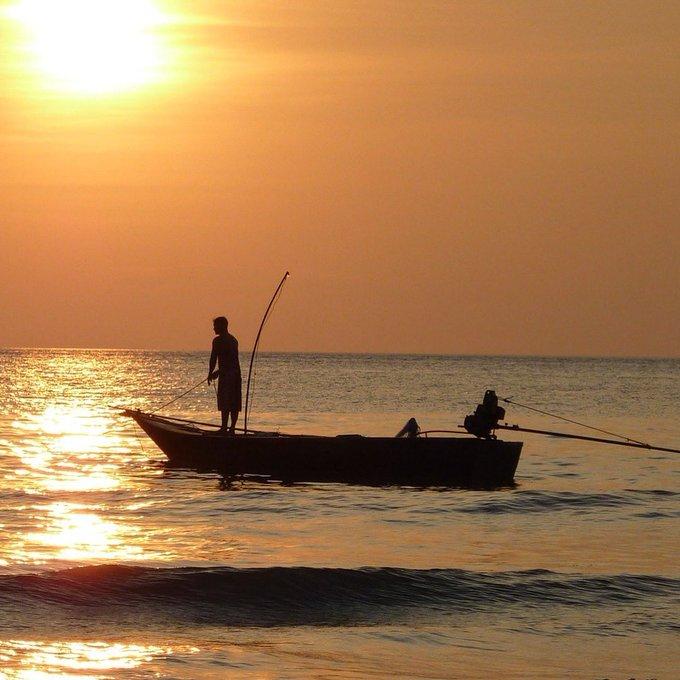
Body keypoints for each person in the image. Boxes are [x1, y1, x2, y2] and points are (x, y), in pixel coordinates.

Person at [207, 316, 242, 434]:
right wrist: (210, 373)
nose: (213, 328)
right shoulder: (218, 341)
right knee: (225, 402)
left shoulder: (231, 341)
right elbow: (213, 358)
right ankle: (226, 428)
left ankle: (230, 428)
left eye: (215, 326)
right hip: (227, 374)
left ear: (222, 326)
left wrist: (217, 372)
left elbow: (231, 361)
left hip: (233, 375)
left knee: (232, 403)